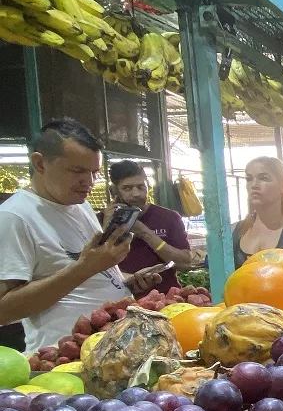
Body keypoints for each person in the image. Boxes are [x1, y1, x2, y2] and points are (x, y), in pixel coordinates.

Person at [0, 119, 162, 353]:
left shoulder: (80, 203)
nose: (89, 182)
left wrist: (128, 280)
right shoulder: (13, 217)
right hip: (66, 355)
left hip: (115, 344)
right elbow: (4, 311)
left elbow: (85, 272)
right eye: (77, 171)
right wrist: (85, 268)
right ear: (40, 163)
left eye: (94, 172)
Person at [108, 159, 200, 292]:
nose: (136, 194)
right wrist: (107, 228)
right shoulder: (100, 220)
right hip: (120, 301)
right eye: (127, 188)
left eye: (141, 187)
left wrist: (145, 232)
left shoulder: (169, 217)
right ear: (113, 192)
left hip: (166, 299)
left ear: (148, 187)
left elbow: (184, 263)